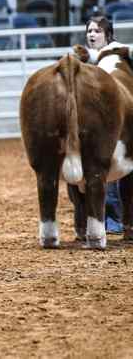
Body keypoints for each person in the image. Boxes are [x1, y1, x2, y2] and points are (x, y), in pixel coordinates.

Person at [72, 16, 125, 234]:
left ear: (108, 34)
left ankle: (113, 219)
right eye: (90, 31)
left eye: (97, 31)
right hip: (92, 121)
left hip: (115, 122)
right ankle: (89, 220)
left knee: (109, 170)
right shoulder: (85, 57)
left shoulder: (117, 53)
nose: (92, 35)